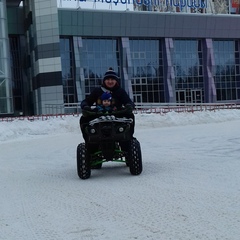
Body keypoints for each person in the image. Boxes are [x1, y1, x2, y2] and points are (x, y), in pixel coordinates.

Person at [80, 67, 135, 151]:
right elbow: (86, 101)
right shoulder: (97, 91)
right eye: (108, 79)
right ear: (104, 81)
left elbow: (128, 102)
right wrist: (85, 106)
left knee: (130, 116)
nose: (110, 81)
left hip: (117, 116)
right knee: (84, 119)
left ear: (116, 81)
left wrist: (129, 106)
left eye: (112, 79)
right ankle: (89, 142)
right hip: (99, 115)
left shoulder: (120, 91)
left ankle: (128, 141)